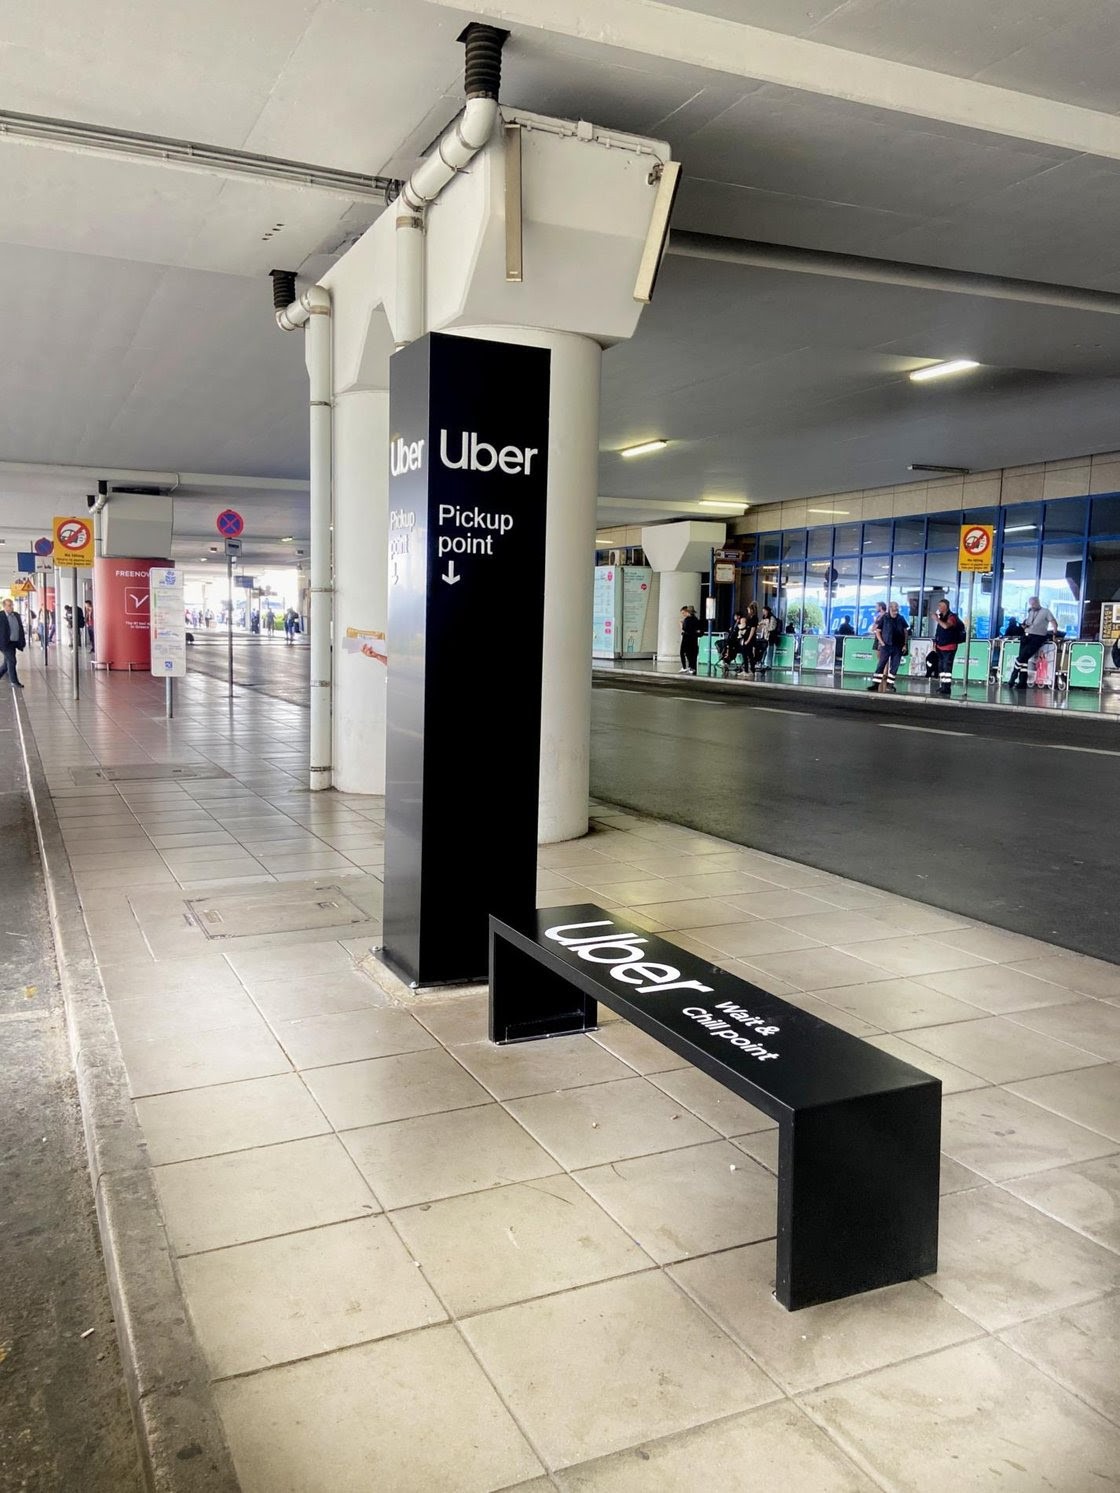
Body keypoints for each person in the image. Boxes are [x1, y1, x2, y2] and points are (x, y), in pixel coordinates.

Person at [1009, 595, 1058, 689]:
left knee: (1021, 657)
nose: (1032, 606)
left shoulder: (1046, 612)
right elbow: (1029, 623)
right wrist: (1024, 626)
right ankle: (1022, 682)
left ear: (1038, 602)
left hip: (1037, 637)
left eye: (1034, 604)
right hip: (1026, 636)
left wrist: (1054, 634)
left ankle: (1013, 678)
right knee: (1024, 660)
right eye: (1031, 604)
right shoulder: (1030, 612)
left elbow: (1054, 623)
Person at [868, 600, 910, 690]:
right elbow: (878, 631)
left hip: (898, 646)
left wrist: (905, 644)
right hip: (886, 645)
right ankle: (876, 684)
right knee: (881, 664)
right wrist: (882, 642)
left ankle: (890, 684)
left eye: (897, 609)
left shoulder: (901, 618)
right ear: (890, 608)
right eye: (894, 609)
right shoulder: (884, 618)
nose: (896, 611)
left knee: (895, 666)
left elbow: (905, 631)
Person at [930, 598, 966, 695]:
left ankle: (947, 688)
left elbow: (946, 626)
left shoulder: (952, 617)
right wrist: (935, 643)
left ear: (945, 607)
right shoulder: (942, 617)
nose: (938, 607)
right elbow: (939, 631)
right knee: (941, 667)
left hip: (949, 647)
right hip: (940, 646)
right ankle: (943, 686)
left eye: (940, 606)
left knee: (947, 667)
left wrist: (936, 619)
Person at [0, 598, 26, 688]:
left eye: (12, 605)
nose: (11, 607)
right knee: (12, 661)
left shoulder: (16, 615)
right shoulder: (1, 616)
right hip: (5, 644)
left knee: (6, 664)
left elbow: (20, 628)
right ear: (4, 606)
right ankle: (14, 682)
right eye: (9, 605)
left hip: (14, 643)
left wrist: (22, 641)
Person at [752, 605, 777, 671]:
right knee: (763, 650)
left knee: (769, 650)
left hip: (770, 637)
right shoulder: (764, 618)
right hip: (764, 636)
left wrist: (765, 626)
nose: (763, 612)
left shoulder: (772, 618)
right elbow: (760, 624)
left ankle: (768, 664)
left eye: (764, 611)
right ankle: (761, 662)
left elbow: (772, 628)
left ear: (768, 611)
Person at [679, 605, 701, 675]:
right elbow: (698, 630)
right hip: (693, 639)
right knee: (692, 654)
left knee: (684, 652)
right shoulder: (696, 619)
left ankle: (686, 667)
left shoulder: (687, 620)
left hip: (687, 639)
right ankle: (692, 667)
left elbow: (684, 629)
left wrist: (681, 625)